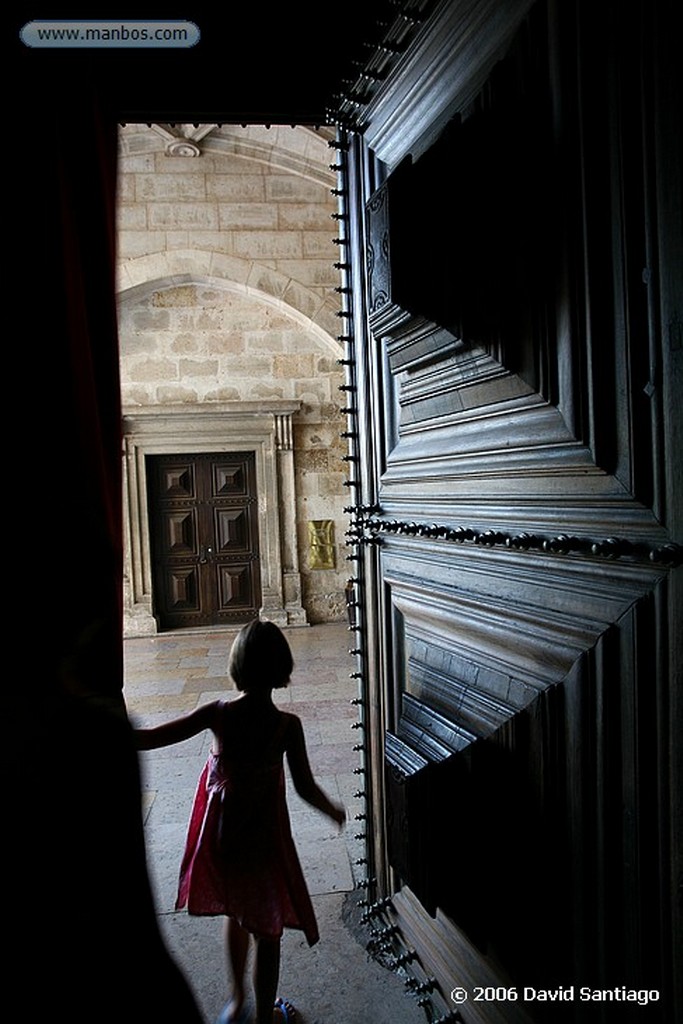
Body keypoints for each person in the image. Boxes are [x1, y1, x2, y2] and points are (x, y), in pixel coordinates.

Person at [135, 619, 346, 1024]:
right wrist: (333, 810)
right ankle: (266, 1016)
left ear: (237, 666)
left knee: (236, 915)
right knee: (267, 929)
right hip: (264, 843)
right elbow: (304, 787)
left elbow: (158, 736)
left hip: (223, 840)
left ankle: (235, 1002)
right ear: (281, 668)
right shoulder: (287, 727)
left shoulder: (218, 714)